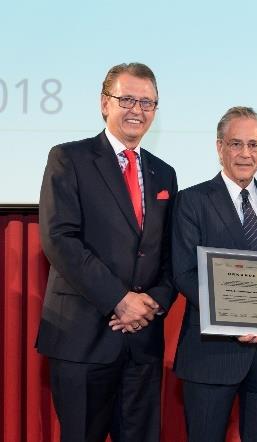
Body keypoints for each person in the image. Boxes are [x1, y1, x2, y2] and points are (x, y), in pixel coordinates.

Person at [37, 62, 178, 441]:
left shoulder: (164, 173)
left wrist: (152, 302)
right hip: (83, 338)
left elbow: (169, 252)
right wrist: (119, 299)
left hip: (143, 340)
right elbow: (59, 238)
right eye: (127, 99)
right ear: (104, 103)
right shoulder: (69, 158)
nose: (137, 110)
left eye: (147, 103)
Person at [171, 106, 257, 442]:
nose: (245, 153)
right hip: (211, 352)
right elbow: (185, 272)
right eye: (236, 143)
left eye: (254, 145)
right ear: (219, 147)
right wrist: (235, 320)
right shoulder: (192, 200)